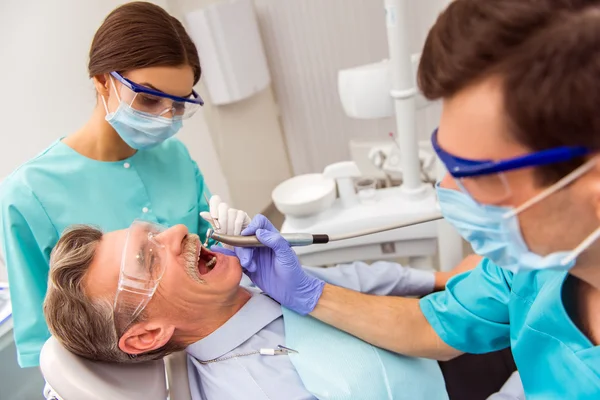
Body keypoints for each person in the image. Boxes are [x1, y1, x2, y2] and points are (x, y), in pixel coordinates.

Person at [214, 1, 600, 398]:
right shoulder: (534, 265)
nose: (447, 189)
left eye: (476, 174)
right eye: (445, 161)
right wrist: (310, 294)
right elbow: (433, 325)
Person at [0, 2, 249, 368]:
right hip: (126, 375)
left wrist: (239, 248)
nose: (166, 116)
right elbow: (44, 341)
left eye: (179, 104)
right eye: (149, 98)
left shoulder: (174, 156)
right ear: (102, 79)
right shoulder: (29, 193)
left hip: (216, 348)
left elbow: (207, 253)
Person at [43, 221, 473, 400]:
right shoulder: (258, 388)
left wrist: (440, 278)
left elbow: (343, 280)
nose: (175, 232)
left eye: (153, 234)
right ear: (147, 336)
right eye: (148, 259)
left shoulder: (249, 282)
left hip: (430, 331)